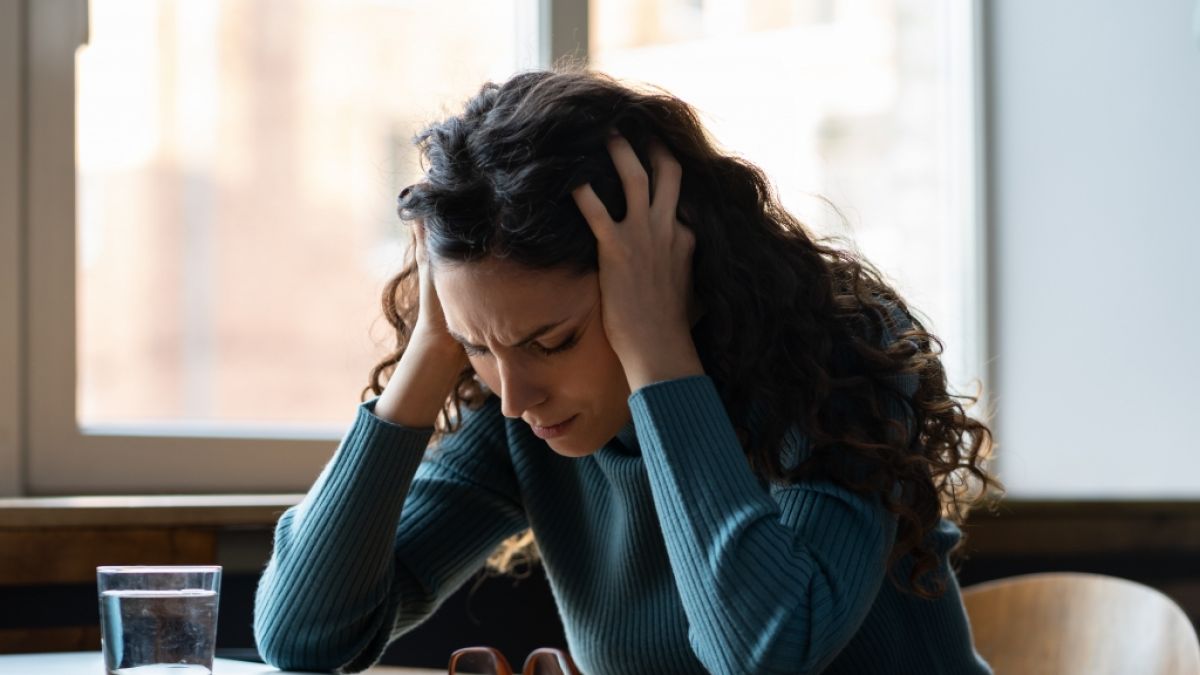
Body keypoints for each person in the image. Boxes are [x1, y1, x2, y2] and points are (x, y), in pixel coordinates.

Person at [253, 68, 999, 674]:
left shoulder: (837, 367)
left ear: (662, 278)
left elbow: (763, 653)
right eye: (480, 347)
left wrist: (658, 355)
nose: (514, 397)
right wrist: (431, 351)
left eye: (553, 340)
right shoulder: (520, 413)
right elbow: (304, 637)